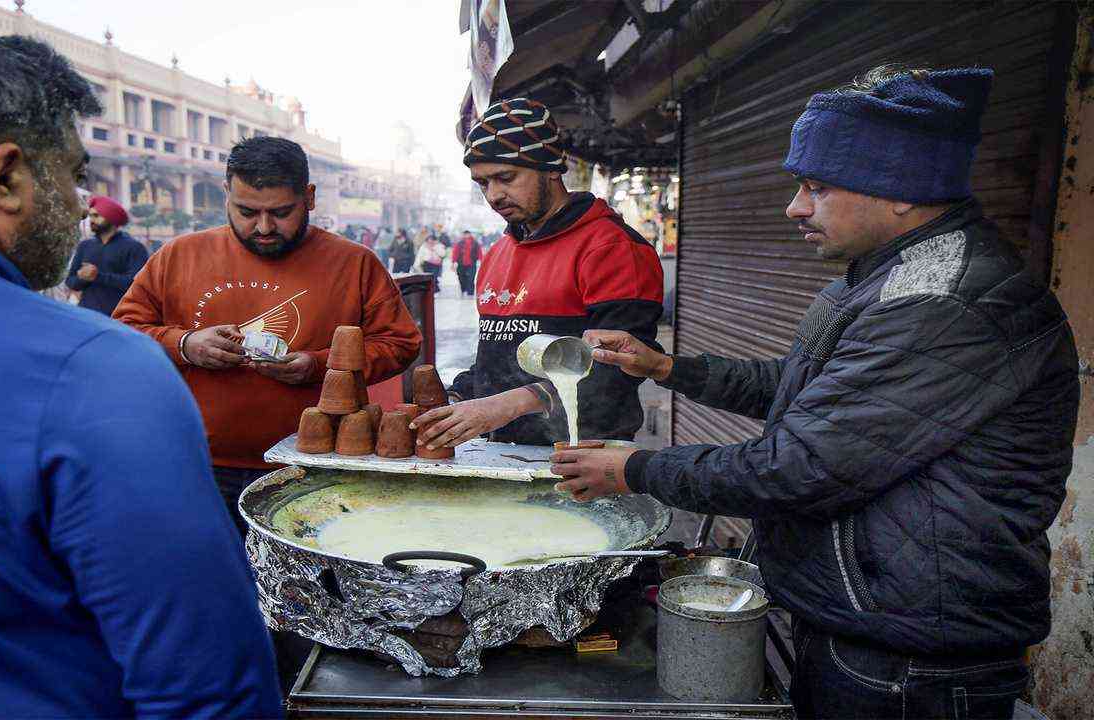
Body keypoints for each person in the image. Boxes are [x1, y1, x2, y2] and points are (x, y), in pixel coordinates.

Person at [550, 67, 1079, 720]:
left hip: (909, 665)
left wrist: (634, 469)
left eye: (817, 187)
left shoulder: (943, 303)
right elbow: (803, 391)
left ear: (902, 189)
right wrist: (666, 367)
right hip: (867, 627)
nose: (794, 208)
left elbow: (801, 467)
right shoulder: (880, 279)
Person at [0, 35, 280, 718]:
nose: (78, 199)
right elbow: (207, 689)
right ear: (6, 180)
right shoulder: (90, 371)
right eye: (71, 173)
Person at [114, 136, 422, 528]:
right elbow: (121, 333)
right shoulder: (178, 255)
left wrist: (318, 365)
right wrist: (185, 344)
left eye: (281, 212)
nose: (263, 227)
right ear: (226, 194)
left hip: (313, 464)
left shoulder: (354, 263)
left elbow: (400, 343)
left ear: (309, 198)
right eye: (246, 211)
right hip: (197, 463)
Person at [413, 97, 664, 450]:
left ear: (551, 167)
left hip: (585, 455)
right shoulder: (499, 253)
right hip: (500, 452)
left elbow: (621, 369)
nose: (494, 195)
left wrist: (509, 405)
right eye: (482, 183)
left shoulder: (612, 248)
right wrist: (457, 398)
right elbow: (496, 360)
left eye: (506, 177)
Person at [64, 195, 148, 316]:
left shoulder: (134, 248)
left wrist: (98, 276)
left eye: (96, 216)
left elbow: (137, 285)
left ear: (111, 218)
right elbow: (70, 281)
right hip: (87, 315)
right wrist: (83, 278)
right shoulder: (85, 246)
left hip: (120, 317)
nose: (91, 220)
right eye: (90, 216)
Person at [453, 229, 482, 296]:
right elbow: (455, 252)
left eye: (468, 234)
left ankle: (470, 292)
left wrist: (481, 260)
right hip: (461, 263)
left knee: (471, 278)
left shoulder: (475, 243)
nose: (466, 236)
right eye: (465, 234)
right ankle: (463, 289)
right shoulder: (459, 243)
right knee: (461, 277)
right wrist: (454, 261)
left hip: (472, 263)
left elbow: (479, 252)